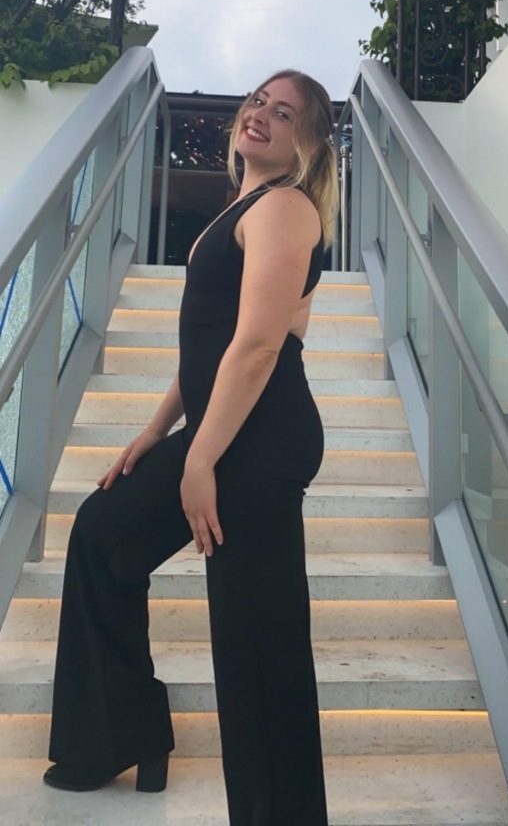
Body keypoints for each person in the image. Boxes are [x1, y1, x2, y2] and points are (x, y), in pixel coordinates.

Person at [44, 68, 338, 826]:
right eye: (258, 101)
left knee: (257, 640)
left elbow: (259, 346)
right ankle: (122, 735)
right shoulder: (237, 209)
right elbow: (207, 345)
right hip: (221, 429)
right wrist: (156, 432)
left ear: (307, 143)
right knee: (103, 535)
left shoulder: (286, 208)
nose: (261, 115)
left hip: (261, 439)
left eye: (285, 113)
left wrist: (200, 460)